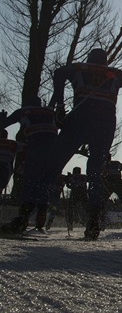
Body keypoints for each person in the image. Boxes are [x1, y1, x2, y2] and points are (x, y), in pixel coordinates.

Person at [43, 47, 122, 240]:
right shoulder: (116, 74)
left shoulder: (79, 68)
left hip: (80, 118)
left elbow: (59, 73)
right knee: (95, 170)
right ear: (106, 60)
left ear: (90, 58)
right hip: (104, 122)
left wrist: (60, 105)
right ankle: (93, 221)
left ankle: (27, 211)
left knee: (54, 162)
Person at [0, 97, 58, 235]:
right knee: (43, 183)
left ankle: (22, 219)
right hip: (54, 148)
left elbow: (4, 124)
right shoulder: (50, 112)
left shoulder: (24, 111)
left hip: (37, 144)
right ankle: (39, 222)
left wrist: (2, 119)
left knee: (30, 182)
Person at [66, 167, 88, 232]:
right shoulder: (84, 176)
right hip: (83, 193)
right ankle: (87, 222)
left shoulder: (72, 176)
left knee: (71, 209)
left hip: (75, 194)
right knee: (86, 209)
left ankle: (70, 224)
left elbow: (68, 185)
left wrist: (69, 181)